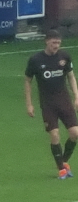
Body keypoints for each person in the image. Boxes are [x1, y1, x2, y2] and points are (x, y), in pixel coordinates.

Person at [24, 29, 78, 179]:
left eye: (59, 43)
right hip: (48, 103)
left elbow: (71, 77)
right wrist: (29, 104)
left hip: (64, 100)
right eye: (54, 42)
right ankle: (61, 170)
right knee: (54, 135)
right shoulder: (35, 60)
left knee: (75, 133)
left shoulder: (64, 57)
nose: (56, 46)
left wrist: (76, 96)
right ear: (46, 41)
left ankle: (63, 162)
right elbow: (28, 80)